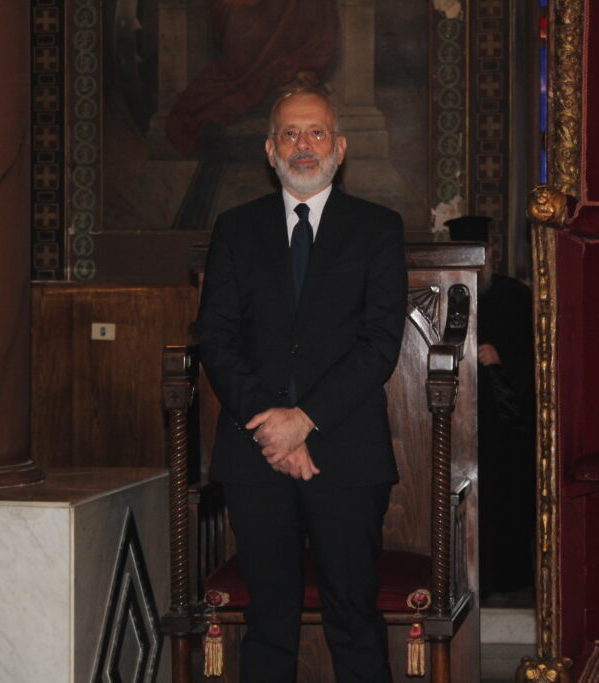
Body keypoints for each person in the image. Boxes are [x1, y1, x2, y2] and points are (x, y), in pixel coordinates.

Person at [197, 87, 408, 682]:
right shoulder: (235, 229)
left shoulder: (377, 229)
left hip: (346, 452)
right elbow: (216, 338)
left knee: (354, 619)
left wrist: (305, 420)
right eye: (290, 134)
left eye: (316, 132)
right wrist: (274, 428)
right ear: (270, 151)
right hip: (255, 452)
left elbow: (379, 344)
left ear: (340, 146)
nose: (303, 145)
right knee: (267, 625)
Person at [446, 216, 536, 601]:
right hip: (458, 420)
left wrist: (503, 357)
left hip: (505, 425)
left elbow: (540, 353)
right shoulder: (448, 294)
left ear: (490, 254)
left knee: (506, 502)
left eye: (479, 256)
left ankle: (506, 582)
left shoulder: (515, 295)